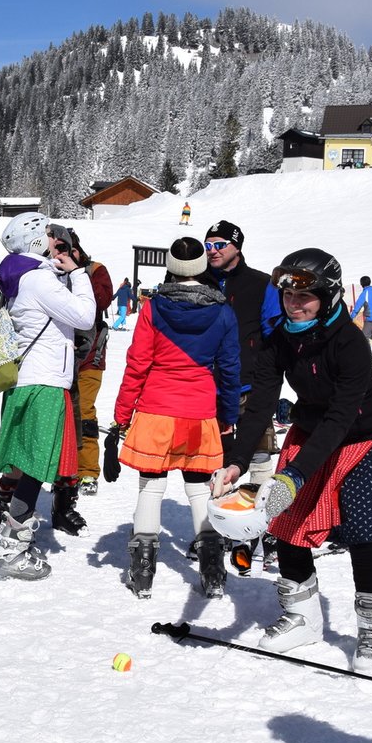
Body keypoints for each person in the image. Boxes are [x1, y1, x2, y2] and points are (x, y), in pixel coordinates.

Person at [218, 248, 372, 673]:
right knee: (286, 522)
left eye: (305, 296)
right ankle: (302, 617)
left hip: (368, 436)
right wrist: (237, 461)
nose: (294, 304)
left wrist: (295, 474)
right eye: (287, 296)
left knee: (360, 528)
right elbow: (261, 404)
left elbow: (342, 415)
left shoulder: (350, 343)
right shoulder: (280, 337)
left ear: (329, 296)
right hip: (313, 432)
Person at [111, 237, 240, 600]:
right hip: (200, 411)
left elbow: (137, 364)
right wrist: (228, 414)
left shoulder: (153, 308)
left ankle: (142, 569)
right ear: (202, 265)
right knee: (199, 486)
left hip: (156, 408)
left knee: (151, 486)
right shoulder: (223, 311)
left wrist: (122, 412)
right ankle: (212, 569)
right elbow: (230, 368)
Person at [0, 212, 95, 580]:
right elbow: (85, 316)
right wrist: (78, 273)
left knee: (30, 464)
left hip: (31, 379)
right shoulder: (38, 280)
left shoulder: (23, 276)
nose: (54, 239)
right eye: (48, 233)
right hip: (45, 380)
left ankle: (11, 537)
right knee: (36, 466)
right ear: (35, 238)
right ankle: (11, 548)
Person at [200, 219, 283, 581]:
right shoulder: (201, 281)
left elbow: (274, 332)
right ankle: (225, 528)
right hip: (210, 386)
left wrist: (268, 373)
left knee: (260, 455)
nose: (213, 251)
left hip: (250, 383)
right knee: (219, 461)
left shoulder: (261, 283)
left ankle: (263, 529)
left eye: (219, 245)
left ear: (237, 246)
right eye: (208, 245)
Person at [61, 225, 114, 505]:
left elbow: (102, 301)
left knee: (84, 412)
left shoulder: (96, 270)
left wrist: (78, 272)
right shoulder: (51, 270)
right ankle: (63, 469)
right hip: (60, 355)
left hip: (91, 355)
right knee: (60, 414)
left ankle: (88, 471)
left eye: (67, 249)